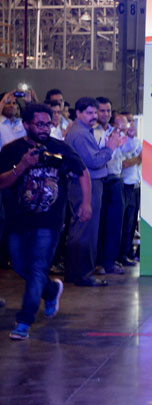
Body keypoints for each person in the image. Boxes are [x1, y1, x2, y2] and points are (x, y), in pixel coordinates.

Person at [0, 103, 91, 339]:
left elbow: (82, 172)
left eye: (48, 124)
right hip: (18, 220)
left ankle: (24, 321)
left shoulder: (59, 148)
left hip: (49, 221)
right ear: (26, 124)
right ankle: (51, 290)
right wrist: (22, 167)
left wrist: (86, 203)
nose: (44, 129)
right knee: (22, 266)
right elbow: (2, 182)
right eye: (39, 124)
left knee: (39, 266)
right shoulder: (11, 150)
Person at [64, 97, 124, 287]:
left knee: (80, 228)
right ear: (78, 113)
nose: (94, 116)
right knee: (86, 229)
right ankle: (84, 274)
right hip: (86, 185)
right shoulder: (80, 134)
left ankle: (75, 272)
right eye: (89, 113)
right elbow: (94, 161)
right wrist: (110, 147)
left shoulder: (81, 131)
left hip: (85, 183)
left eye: (95, 112)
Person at [95, 99, 134, 276]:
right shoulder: (92, 132)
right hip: (100, 179)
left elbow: (129, 150)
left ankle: (110, 262)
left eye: (108, 110)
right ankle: (97, 262)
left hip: (116, 180)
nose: (105, 114)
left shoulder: (115, 132)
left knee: (115, 224)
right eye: (101, 110)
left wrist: (128, 133)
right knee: (99, 223)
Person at [117, 114, 142, 265]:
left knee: (132, 223)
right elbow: (123, 164)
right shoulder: (118, 141)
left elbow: (140, 159)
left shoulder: (137, 141)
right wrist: (137, 159)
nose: (130, 125)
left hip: (136, 184)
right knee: (124, 223)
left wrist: (137, 160)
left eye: (131, 121)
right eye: (126, 122)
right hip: (124, 185)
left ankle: (128, 252)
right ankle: (121, 255)